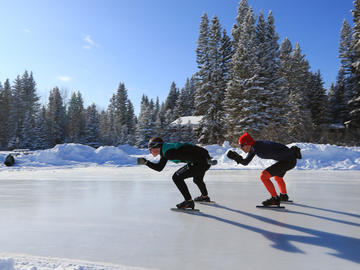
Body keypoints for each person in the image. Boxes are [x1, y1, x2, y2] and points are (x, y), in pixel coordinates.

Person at [137, 137, 216, 209]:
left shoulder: (169, 152)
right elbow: (159, 168)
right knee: (197, 180)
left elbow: (188, 149)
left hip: (201, 162)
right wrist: (146, 162)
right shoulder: (165, 151)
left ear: (156, 147)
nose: (150, 152)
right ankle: (204, 197)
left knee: (176, 177)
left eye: (150, 149)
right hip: (203, 161)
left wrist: (204, 159)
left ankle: (188, 201)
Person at [227, 132, 302, 206]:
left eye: (242, 145)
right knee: (278, 178)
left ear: (248, 143)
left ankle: (275, 199)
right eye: (240, 146)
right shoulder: (254, 147)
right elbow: (246, 162)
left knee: (264, 176)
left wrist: (291, 151)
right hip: (286, 160)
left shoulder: (261, 149)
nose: (241, 148)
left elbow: (277, 147)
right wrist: (236, 158)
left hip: (288, 161)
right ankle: (283, 196)